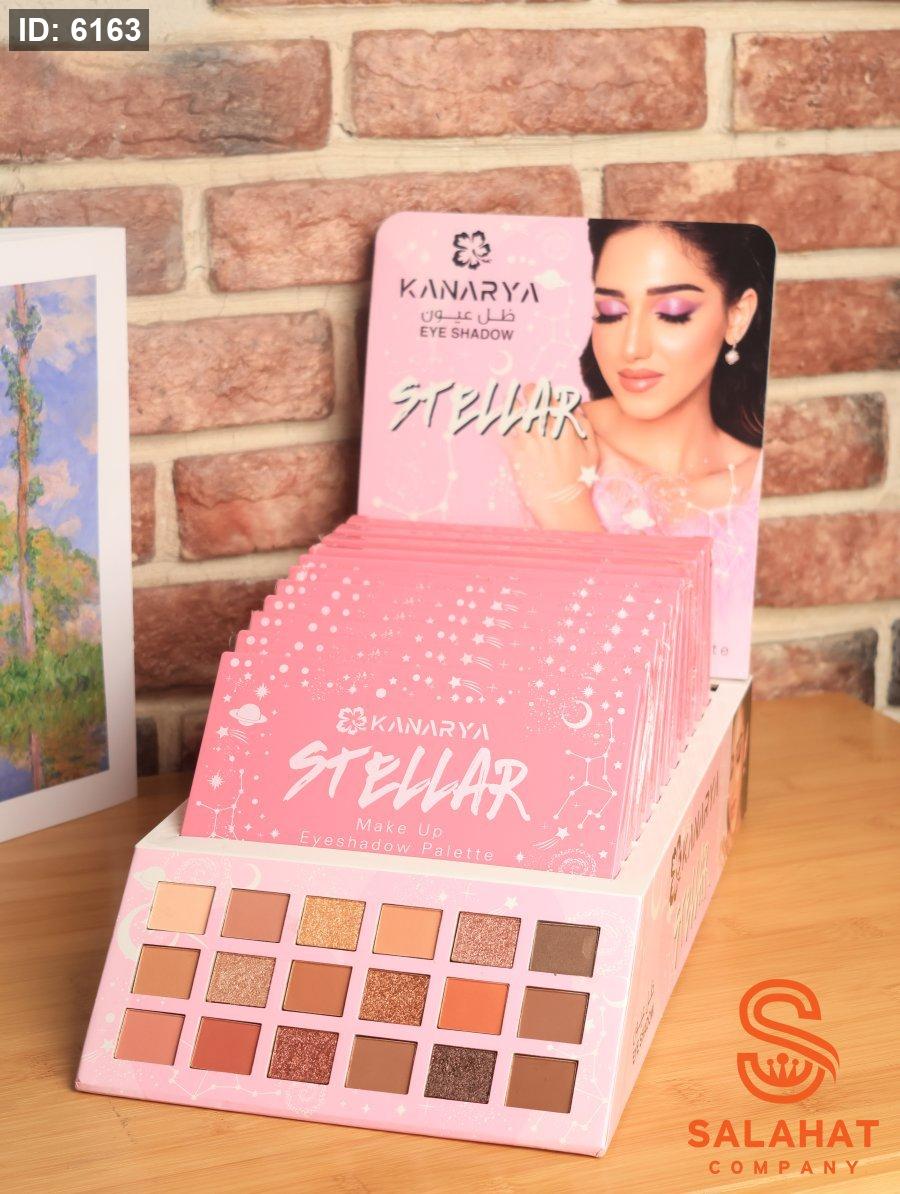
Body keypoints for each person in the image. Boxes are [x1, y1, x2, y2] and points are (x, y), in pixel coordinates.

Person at [503, 219, 775, 537]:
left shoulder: (765, 485)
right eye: (611, 312)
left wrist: (567, 511)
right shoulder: (538, 446)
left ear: (737, 317)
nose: (632, 348)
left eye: (672, 313)